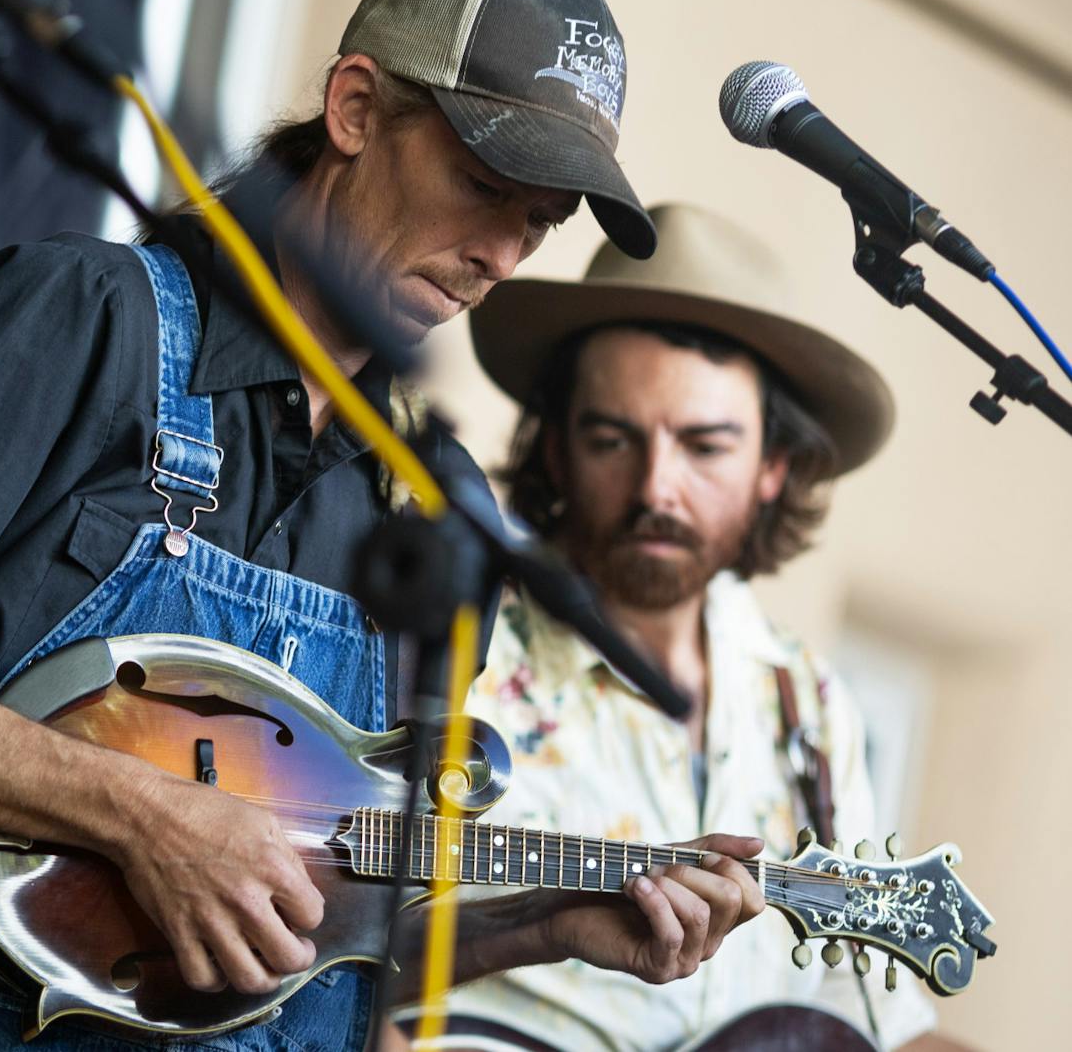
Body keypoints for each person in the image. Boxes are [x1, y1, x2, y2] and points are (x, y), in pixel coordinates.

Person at [0, 0, 765, 1052]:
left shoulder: (439, 507)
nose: (502, 256)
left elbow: (326, 916)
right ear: (357, 108)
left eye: (541, 220)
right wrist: (137, 811)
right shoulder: (88, 321)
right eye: (483, 187)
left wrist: (540, 925)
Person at [403, 202, 970, 1050]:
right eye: (613, 439)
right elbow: (333, 954)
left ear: (774, 465)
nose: (656, 489)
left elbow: (874, 1017)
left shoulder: (808, 702)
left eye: (704, 446)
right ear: (556, 448)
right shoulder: (454, 648)